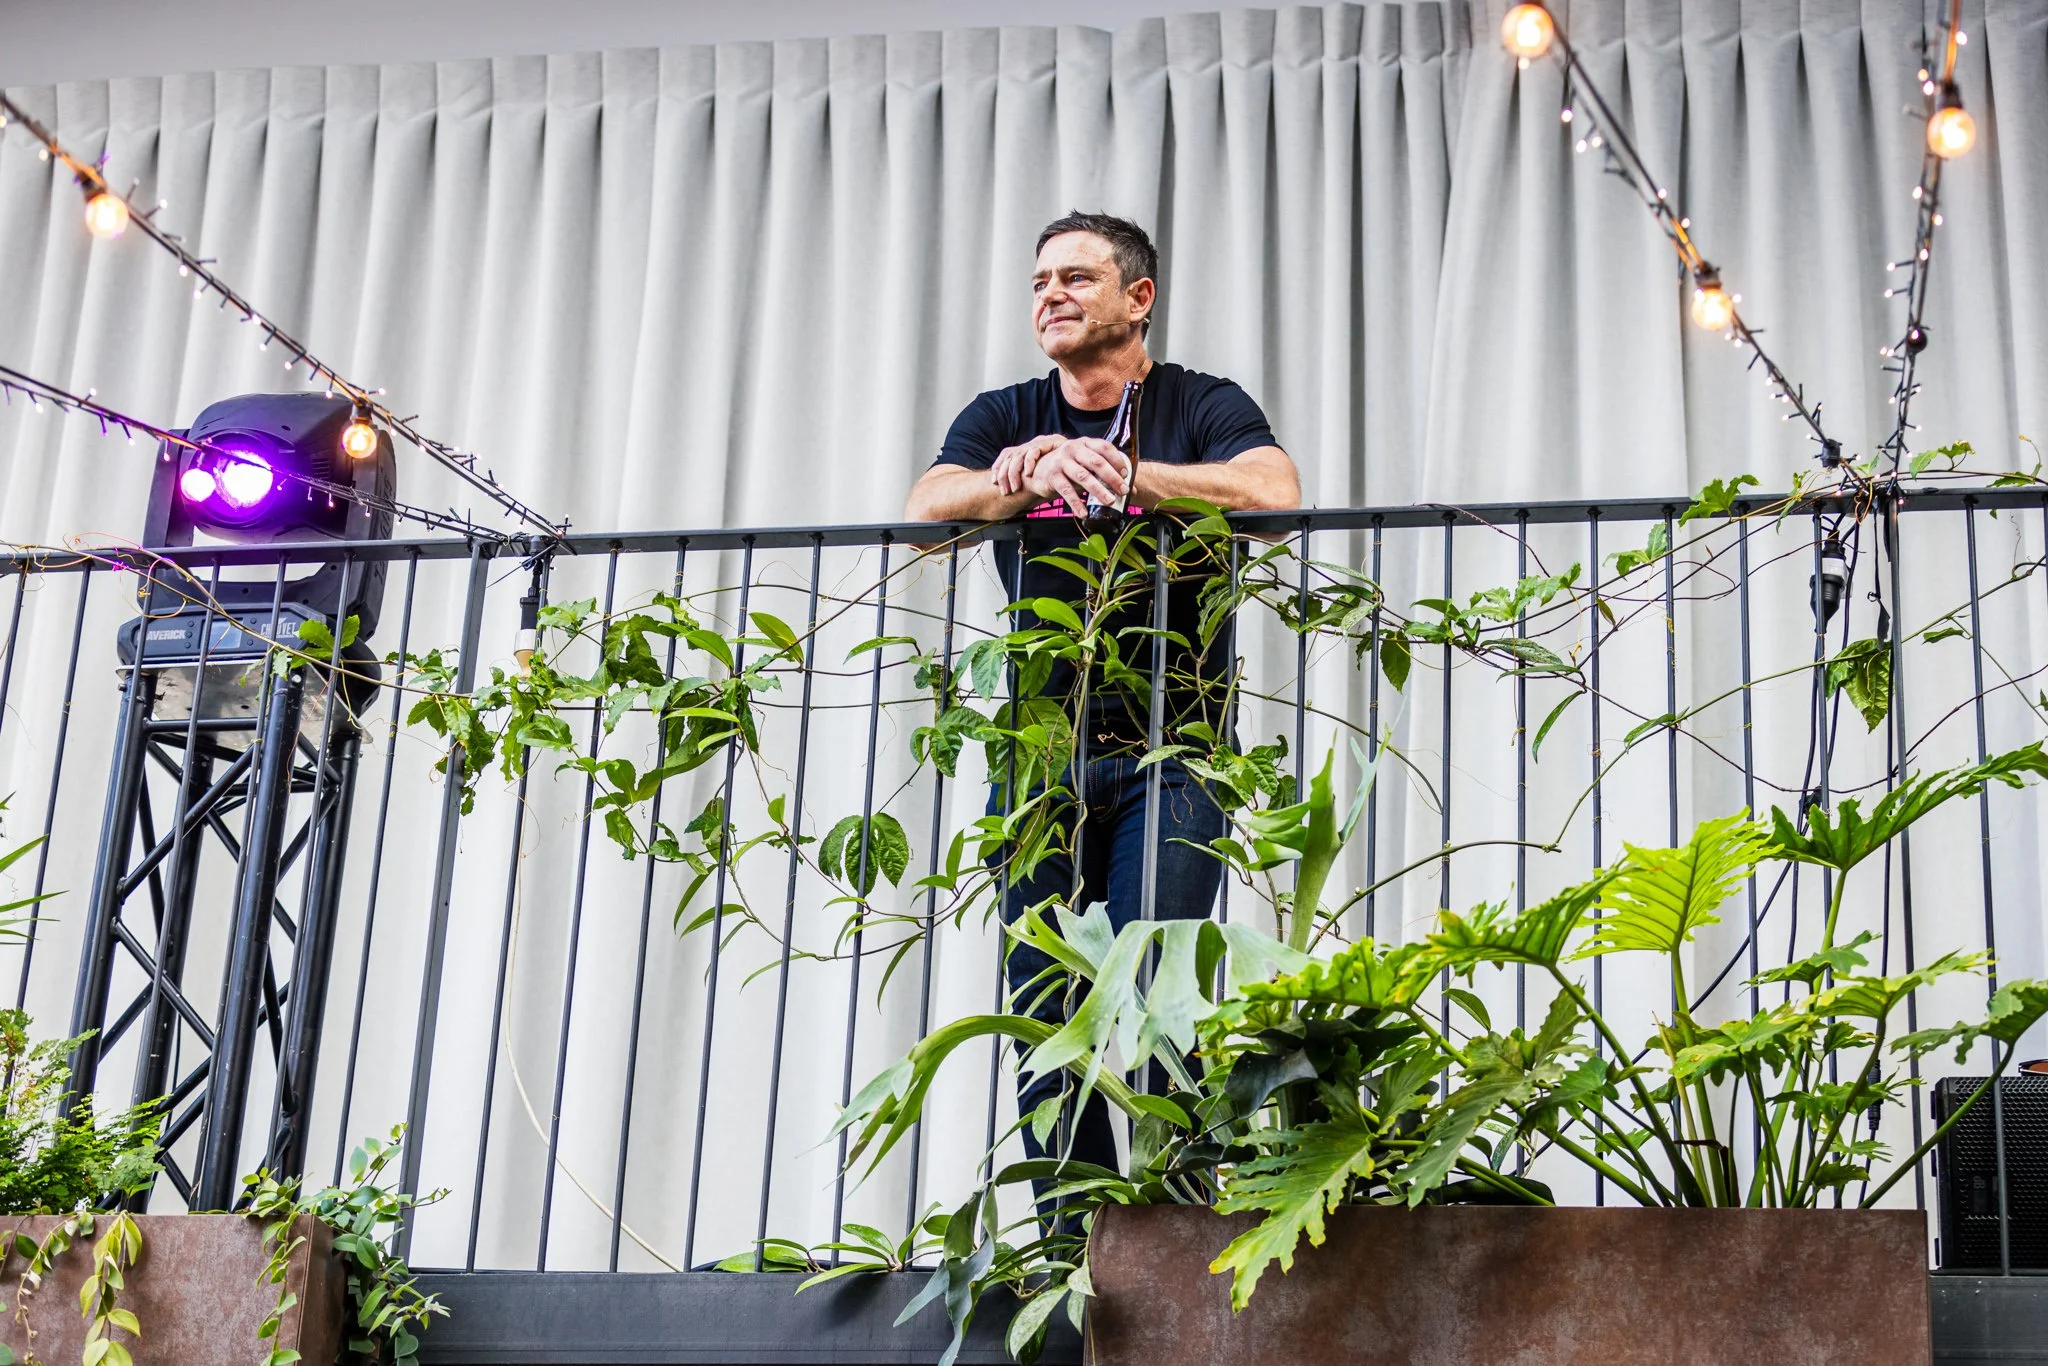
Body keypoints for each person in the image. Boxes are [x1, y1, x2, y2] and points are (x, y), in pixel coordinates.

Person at [902, 211, 1300, 1185]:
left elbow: (1275, 496)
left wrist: (1133, 477)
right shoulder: (1007, 411)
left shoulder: (1199, 402)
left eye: (1076, 278)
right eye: (1040, 280)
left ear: (1138, 298)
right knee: (1042, 1003)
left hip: (1176, 745)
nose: (1051, 295)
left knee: (1157, 986)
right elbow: (919, 512)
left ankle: (1181, 1232)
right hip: (1039, 752)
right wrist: (1024, 473)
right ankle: (1071, 1249)